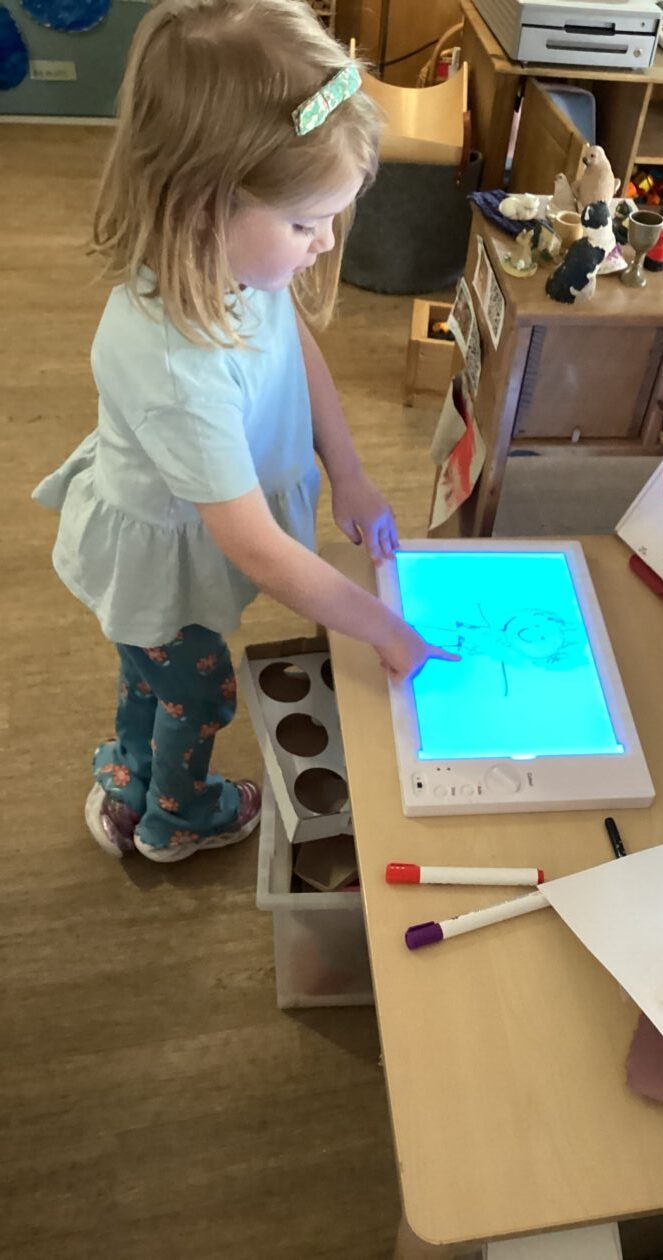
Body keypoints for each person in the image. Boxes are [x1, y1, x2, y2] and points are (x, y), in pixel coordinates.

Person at [32, 0, 457, 864]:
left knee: (153, 676)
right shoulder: (174, 371)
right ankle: (176, 817)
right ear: (201, 204)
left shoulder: (236, 263)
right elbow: (259, 551)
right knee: (197, 691)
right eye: (305, 223)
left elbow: (292, 346)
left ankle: (128, 777)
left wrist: (349, 471)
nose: (324, 242)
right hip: (163, 562)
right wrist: (382, 628)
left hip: (183, 540)